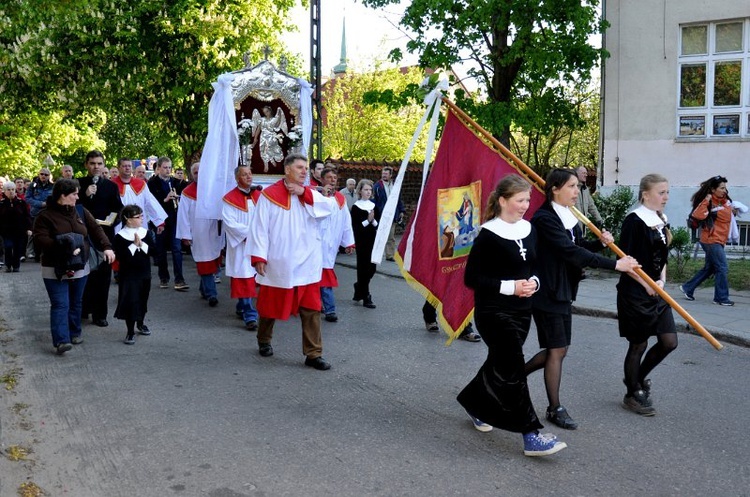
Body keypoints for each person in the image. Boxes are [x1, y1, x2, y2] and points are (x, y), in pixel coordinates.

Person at [458, 175, 567, 457]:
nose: (525, 205)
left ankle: (473, 402)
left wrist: (534, 282)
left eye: (528, 200)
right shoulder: (487, 234)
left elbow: (536, 266)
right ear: (503, 201)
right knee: (514, 367)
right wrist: (511, 287)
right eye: (520, 200)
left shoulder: (530, 229)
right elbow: (472, 279)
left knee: (501, 363)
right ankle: (531, 434)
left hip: (521, 313)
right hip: (493, 312)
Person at [524, 168, 639, 430]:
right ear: (555, 188)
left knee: (561, 349)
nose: (577, 191)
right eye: (572, 186)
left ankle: (512, 376)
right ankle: (555, 408)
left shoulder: (569, 216)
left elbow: (578, 247)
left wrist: (599, 243)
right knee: (556, 350)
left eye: (578, 186)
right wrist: (615, 265)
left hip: (563, 290)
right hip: (547, 292)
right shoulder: (545, 219)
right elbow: (569, 252)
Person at [249, 154, 338, 370]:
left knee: (312, 308)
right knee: (270, 307)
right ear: (287, 169)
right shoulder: (269, 195)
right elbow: (259, 228)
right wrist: (259, 256)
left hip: (307, 262)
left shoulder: (312, 193)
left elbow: (330, 209)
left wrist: (305, 192)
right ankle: (264, 339)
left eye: (306, 168)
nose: (304, 171)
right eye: (299, 167)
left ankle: (313, 353)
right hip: (280, 261)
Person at [32, 179, 115, 354]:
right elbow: (40, 239)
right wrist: (63, 245)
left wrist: (107, 247)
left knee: (76, 303)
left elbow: (96, 229)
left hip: (80, 266)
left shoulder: (80, 211)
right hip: (54, 269)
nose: (78, 196)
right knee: (61, 304)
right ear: (62, 196)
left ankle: (75, 332)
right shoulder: (44, 216)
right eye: (74, 194)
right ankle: (62, 341)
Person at [617, 174, 677, 416]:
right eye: (661, 192)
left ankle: (636, 379)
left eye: (667, 192)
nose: (666, 197)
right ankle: (632, 393)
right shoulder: (634, 221)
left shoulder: (661, 219)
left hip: (657, 290)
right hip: (635, 292)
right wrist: (645, 283)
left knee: (668, 342)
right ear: (645, 194)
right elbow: (625, 260)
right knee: (639, 343)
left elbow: (661, 256)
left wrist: (661, 279)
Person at [77, 150, 124, 327]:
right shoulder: (79, 184)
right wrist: (85, 195)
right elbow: (72, 207)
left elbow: (118, 209)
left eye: (99, 163)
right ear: (86, 165)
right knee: (85, 274)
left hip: (104, 236)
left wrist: (112, 220)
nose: (96, 167)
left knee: (103, 276)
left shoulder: (111, 186)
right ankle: (83, 309)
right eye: (92, 163)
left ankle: (100, 314)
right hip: (84, 236)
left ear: (103, 165)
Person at [679, 175, 735, 306]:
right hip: (711, 240)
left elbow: (725, 214)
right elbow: (697, 215)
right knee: (722, 267)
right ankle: (721, 298)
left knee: (710, 268)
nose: (724, 190)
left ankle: (688, 288)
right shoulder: (709, 201)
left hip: (718, 239)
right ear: (713, 189)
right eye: (721, 188)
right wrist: (707, 199)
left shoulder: (723, 201)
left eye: (725, 188)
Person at [177, 162, 224, 307]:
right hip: (199, 233)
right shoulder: (187, 193)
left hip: (214, 231)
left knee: (213, 261)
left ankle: (204, 289)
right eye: (196, 172)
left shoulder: (214, 190)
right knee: (205, 262)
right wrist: (185, 234)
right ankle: (212, 294)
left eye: (201, 171)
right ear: (192, 175)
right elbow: (183, 215)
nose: (199, 175)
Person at [221, 165, 261, 330]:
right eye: (245, 174)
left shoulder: (259, 195)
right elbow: (230, 223)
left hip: (258, 244)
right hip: (241, 246)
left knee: (255, 279)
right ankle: (250, 316)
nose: (249, 177)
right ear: (238, 178)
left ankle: (242, 307)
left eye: (250, 173)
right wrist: (250, 235)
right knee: (244, 278)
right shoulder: (229, 199)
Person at [113, 205, 156, 344]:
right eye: (138, 217)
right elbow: (120, 256)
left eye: (141, 216)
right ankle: (130, 331)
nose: (141, 219)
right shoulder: (120, 236)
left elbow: (154, 252)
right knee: (131, 301)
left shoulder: (145, 232)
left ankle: (141, 323)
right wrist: (133, 245)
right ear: (128, 219)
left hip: (144, 272)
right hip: (129, 275)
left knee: (143, 298)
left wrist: (142, 244)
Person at [318, 167, 355, 322]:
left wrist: (348, 242)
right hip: (315, 243)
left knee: (324, 274)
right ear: (322, 179)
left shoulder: (340, 198)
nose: (333, 180)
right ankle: (328, 308)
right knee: (315, 276)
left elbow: (346, 221)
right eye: (329, 177)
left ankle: (325, 307)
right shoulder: (315, 195)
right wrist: (324, 197)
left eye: (334, 177)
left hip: (331, 245)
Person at [147, 157, 188, 291]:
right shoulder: (152, 183)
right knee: (161, 250)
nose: (168, 170)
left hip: (174, 219)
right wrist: (165, 199)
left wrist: (178, 198)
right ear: (158, 168)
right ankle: (163, 277)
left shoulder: (176, 182)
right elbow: (151, 203)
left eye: (170, 167)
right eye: (165, 167)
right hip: (160, 221)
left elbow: (184, 199)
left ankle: (179, 279)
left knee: (176, 248)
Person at [351, 179, 379, 309]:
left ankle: (359, 287)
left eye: (370, 190)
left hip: (373, 240)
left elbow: (377, 224)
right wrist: (368, 221)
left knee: (372, 267)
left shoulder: (374, 206)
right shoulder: (356, 207)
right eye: (366, 189)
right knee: (363, 268)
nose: (368, 192)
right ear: (360, 191)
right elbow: (356, 227)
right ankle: (366, 296)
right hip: (362, 241)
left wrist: (372, 221)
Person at [373, 166, 405, 261]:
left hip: (392, 214)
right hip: (381, 214)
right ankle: (375, 253)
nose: (384, 175)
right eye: (383, 174)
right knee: (380, 235)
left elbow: (398, 199)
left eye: (386, 174)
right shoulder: (377, 186)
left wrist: (401, 210)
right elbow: (375, 201)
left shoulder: (394, 185)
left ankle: (390, 255)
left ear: (391, 175)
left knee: (391, 236)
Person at [0, 182, 32, 272]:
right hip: (6, 231)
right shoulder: (1, 204)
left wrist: (29, 228)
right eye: (8, 190)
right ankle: (8, 265)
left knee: (17, 248)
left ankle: (16, 265)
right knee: (8, 246)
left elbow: (27, 216)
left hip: (19, 230)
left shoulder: (21, 203)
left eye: (13, 190)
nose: (11, 192)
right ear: (4, 191)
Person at [25, 167, 54, 260]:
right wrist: (40, 204)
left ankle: (45, 253)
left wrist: (48, 204)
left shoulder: (52, 186)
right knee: (34, 234)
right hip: (35, 213)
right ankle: (33, 252)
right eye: (42, 174)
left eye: (46, 174)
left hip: (48, 213)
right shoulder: (33, 185)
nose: (43, 176)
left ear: (49, 176)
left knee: (47, 234)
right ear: (38, 174)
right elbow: (27, 198)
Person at [252, 105, 287, 172]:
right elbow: (258, 129)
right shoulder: (262, 119)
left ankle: (271, 159)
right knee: (263, 149)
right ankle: (266, 164)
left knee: (270, 148)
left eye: (267, 111)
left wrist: (279, 111)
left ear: (270, 111)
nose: (266, 113)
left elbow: (279, 122)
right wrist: (255, 138)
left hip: (271, 136)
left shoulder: (274, 119)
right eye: (264, 112)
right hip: (263, 137)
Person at [573, 166, 603, 232]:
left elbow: (591, 206)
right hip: (572, 228)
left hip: (583, 228)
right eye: (583, 173)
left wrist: (599, 220)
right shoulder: (571, 188)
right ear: (576, 174)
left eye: (586, 173)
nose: (586, 175)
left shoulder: (585, 189)